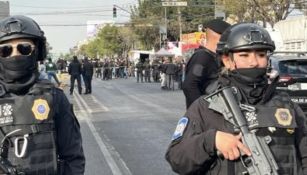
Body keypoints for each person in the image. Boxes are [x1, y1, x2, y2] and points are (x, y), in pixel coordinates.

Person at [165, 23, 307, 174]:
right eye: (244, 55)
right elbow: (177, 159)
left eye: (261, 55)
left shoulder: (287, 106)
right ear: (227, 60)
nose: (254, 62)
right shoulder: (207, 107)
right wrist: (211, 141)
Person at [0, 15, 85, 174]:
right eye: (5, 50)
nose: (15, 55)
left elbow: (73, 158)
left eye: (24, 48)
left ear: (37, 52)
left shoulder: (54, 97)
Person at [182, 19, 230, 108]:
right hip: (205, 115)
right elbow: (189, 85)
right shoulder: (203, 57)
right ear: (220, 37)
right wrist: (201, 110)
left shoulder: (216, 57)